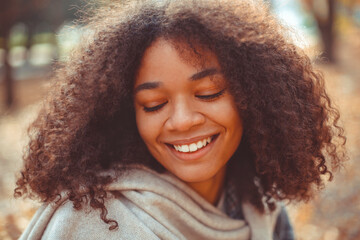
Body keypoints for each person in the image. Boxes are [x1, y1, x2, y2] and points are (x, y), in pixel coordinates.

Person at [15, 0, 346, 239]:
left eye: (209, 93)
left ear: (255, 98)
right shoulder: (91, 223)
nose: (183, 121)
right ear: (126, 114)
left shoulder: (262, 206)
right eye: (154, 103)